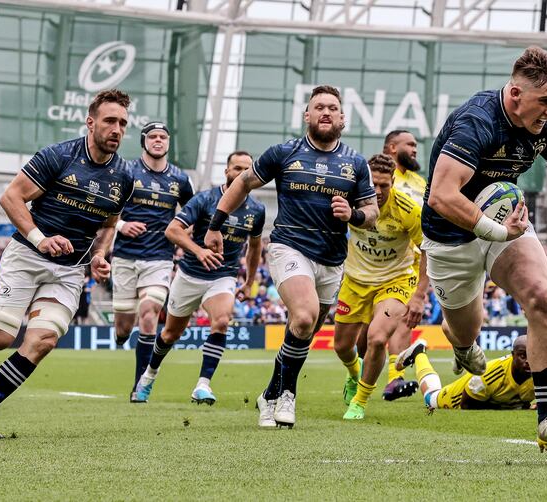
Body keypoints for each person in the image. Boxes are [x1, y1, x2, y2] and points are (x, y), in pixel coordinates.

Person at [421, 46, 547, 451]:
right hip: (451, 236)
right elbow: (440, 195)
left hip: (506, 224)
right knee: (466, 330)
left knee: (541, 297)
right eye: (545, 101)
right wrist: (493, 230)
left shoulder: (542, 125)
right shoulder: (476, 122)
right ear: (514, 95)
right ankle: (461, 345)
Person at [0, 89, 134, 439]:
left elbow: (108, 224)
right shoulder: (57, 156)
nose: (117, 129)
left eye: (122, 122)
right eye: (109, 121)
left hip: (69, 271)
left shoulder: (124, 177)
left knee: (42, 341)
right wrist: (40, 238)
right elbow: (10, 197)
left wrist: (100, 256)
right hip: (27, 257)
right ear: (90, 123)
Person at [204, 85, 378, 428]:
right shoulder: (284, 153)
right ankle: (288, 395)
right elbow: (242, 183)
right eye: (319, 107)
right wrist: (215, 225)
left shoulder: (356, 163)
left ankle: (269, 394)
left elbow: (372, 211)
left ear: (343, 118)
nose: (325, 112)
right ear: (307, 115)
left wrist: (353, 216)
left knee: (303, 330)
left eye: (332, 107)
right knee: (304, 316)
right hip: (289, 246)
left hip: (332, 258)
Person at [133, 151, 264, 405]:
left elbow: (255, 248)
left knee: (222, 321)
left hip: (223, 276)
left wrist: (249, 282)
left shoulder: (257, 210)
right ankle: (149, 374)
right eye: (237, 168)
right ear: (226, 171)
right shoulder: (205, 199)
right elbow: (172, 230)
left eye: (247, 169)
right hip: (189, 275)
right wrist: (198, 251)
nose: (242, 174)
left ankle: (203, 384)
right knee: (170, 334)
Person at [332, 153, 427, 420]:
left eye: (384, 184)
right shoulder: (351, 200)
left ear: (393, 181)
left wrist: (420, 295)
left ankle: (360, 402)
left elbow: (428, 249)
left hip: (394, 280)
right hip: (355, 281)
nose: (378, 190)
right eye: (373, 183)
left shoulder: (409, 210)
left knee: (376, 338)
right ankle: (354, 373)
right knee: (341, 347)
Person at [110, 121, 194, 402]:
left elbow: (193, 214)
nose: (158, 141)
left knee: (148, 313)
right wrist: (122, 226)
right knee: (123, 327)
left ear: (168, 143)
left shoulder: (180, 179)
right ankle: (121, 337)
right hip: (124, 257)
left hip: (159, 257)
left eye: (163, 137)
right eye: (153, 137)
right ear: (144, 141)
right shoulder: (126, 171)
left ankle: (139, 386)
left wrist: (184, 237)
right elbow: (106, 210)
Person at [361, 130, 427, 401]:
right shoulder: (374, 177)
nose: (414, 149)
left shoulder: (420, 182)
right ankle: (356, 375)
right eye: (409, 144)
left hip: (409, 263)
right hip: (371, 261)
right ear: (391, 147)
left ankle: (394, 379)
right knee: (364, 332)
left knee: (403, 321)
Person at [396, 335, 534, 412]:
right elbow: (467, 405)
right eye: (522, 356)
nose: (528, 361)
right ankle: (419, 353)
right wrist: (508, 407)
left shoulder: (539, 372)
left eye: (532, 355)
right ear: (513, 355)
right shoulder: (493, 373)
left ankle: (461, 357)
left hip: (482, 389)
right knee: (430, 397)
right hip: (457, 397)